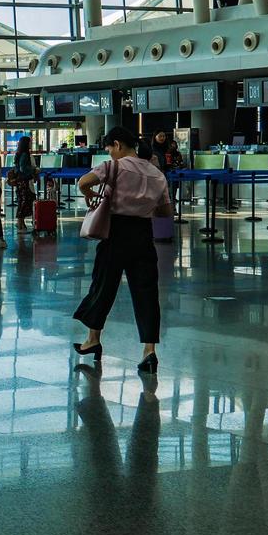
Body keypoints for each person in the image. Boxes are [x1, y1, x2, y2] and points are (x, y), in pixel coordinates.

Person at [72, 126, 173, 376]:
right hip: (143, 234)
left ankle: (93, 339)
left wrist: (91, 195)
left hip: (115, 232)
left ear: (117, 145)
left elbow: (82, 182)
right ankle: (149, 351)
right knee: (147, 292)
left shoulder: (112, 167)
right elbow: (165, 213)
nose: (109, 152)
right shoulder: (157, 173)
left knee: (103, 286)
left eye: (109, 148)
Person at [12, 135, 37, 234]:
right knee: (26, 201)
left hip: (20, 181)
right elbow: (23, 168)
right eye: (30, 142)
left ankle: (21, 223)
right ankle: (20, 222)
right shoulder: (25, 155)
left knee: (22, 201)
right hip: (25, 181)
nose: (31, 144)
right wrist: (34, 170)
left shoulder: (19, 154)